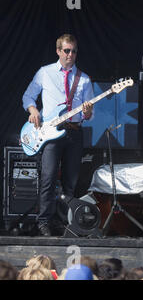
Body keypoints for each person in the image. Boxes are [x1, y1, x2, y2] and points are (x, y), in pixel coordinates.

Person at [22, 34, 94, 236]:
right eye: (67, 50)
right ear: (58, 51)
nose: (70, 55)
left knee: (70, 182)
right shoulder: (45, 73)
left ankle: (63, 222)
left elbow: (89, 115)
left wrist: (87, 112)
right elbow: (28, 96)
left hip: (74, 132)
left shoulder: (84, 79)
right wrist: (33, 110)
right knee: (48, 177)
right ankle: (44, 221)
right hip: (50, 134)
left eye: (74, 51)